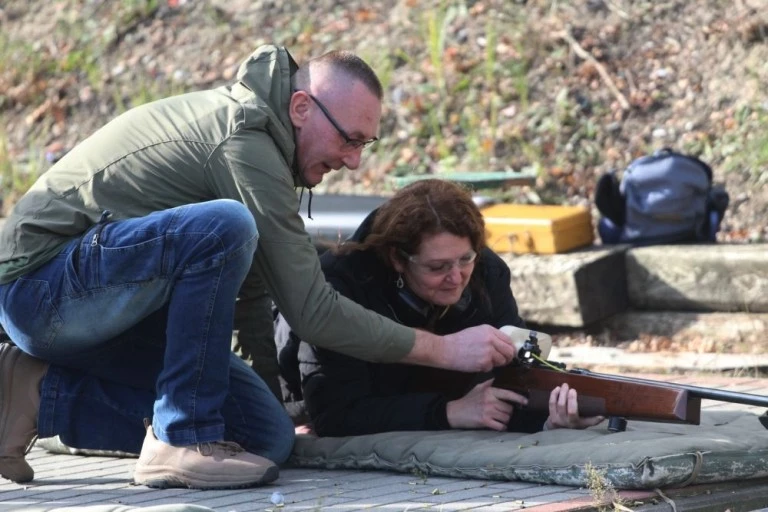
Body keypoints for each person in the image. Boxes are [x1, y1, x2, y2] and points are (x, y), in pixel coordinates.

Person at [0, 46, 520, 490]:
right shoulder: (244, 142)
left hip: (110, 308)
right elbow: (312, 312)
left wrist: (272, 401)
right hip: (39, 291)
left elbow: (250, 297)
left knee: (265, 438)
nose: (355, 161)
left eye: (366, 144)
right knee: (225, 225)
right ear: (300, 107)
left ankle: (34, 392)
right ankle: (181, 437)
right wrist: (445, 350)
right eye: (350, 139)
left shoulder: (269, 156)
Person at [276, 179, 605, 436]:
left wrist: (552, 416)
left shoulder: (487, 272)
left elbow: (513, 380)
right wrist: (450, 411)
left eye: (466, 259)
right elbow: (335, 414)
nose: (456, 277)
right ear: (397, 259)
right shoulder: (342, 285)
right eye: (437, 267)